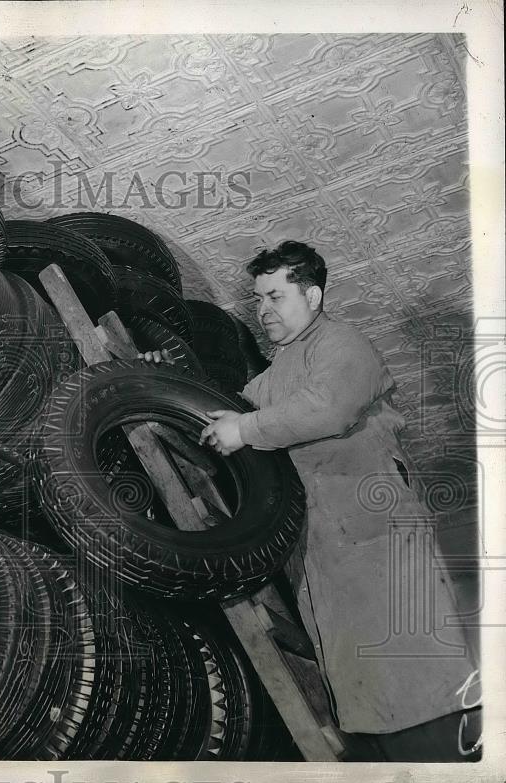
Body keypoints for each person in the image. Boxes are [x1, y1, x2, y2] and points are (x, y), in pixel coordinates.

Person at [141, 241, 480, 761]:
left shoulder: (343, 344)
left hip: (376, 535)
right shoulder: (269, 381)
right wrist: (158, 380)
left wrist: (247, 427)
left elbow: (330, 409)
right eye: (258, 299)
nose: (263, 310)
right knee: (365, 692)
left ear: (314, 295)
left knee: (416, 675)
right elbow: (218, 435)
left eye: (275, 296)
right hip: (321, 549)